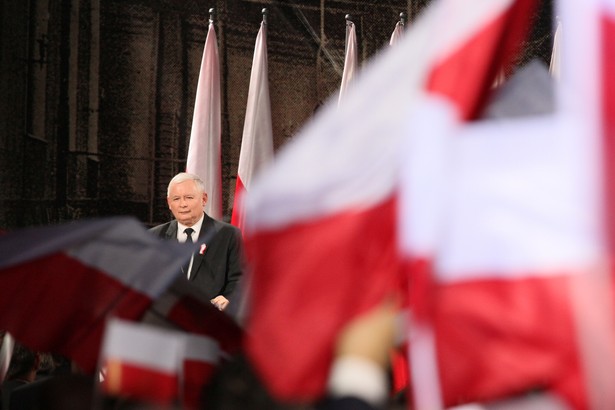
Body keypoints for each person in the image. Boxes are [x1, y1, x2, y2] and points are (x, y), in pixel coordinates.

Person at [150, 172, 244, 311]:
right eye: (176, 199)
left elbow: (240, 278)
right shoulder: (155, 237)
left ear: (204, 199)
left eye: (188, 197)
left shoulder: (228, 235)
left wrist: (228, 298)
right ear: (169, 203)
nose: (182, 204)